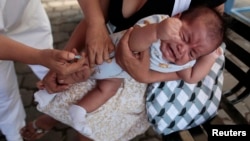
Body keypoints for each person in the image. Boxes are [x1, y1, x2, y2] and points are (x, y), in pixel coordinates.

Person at [21, 0, 227, 141]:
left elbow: (192, 76)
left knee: (94, 125)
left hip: (140, 81)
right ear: (177, 18)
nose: (183, 49)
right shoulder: (159, 24)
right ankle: (51, 115)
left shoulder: (185, 55)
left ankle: (64, 116)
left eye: (192, 53)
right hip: (106, 52)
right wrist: (157, 31)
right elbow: (121, 35)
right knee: (70, 81)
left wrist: (207, 57)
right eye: (185, 38)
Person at [0, 1, 83, 141]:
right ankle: (15, 135)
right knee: (4, 90)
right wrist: (39, 57)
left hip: (25, 16)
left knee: (59, 75)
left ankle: (56, 114)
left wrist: (95, 22)